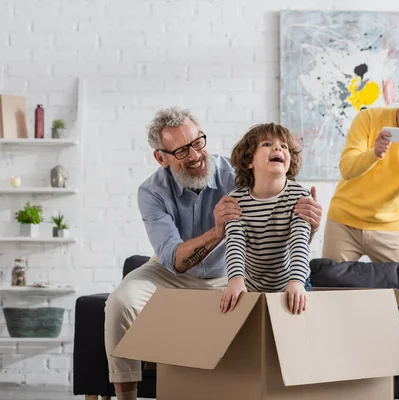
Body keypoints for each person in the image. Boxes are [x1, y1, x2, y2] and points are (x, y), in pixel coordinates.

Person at [104, 108, 322, 400]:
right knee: (121, 301)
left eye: (197, 142)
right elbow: (175, 259)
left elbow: (276, 222)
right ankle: (126, 393)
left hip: (228, 273)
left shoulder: (236, 175)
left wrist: (309, 225)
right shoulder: (151, 192)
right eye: (181, 150)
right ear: (161, 158)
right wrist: (216, 232)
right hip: (168, 271)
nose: (195, 155)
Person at [322, 68, 399, 264]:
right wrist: (375, 153)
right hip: (344, 222)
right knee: (331, 288)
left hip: (387, 227)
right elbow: (347, 169)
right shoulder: (368, 119)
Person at [220, 123, 311, 315]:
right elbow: (235, 243)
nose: (278, 148)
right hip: (253, 284)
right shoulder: (237, 200)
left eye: (284, 146)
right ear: (248, 161)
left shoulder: (299, 197)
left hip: (293, 281)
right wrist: (236, 280)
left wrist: (296, 281)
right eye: (267, 144)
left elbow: (299, 242)